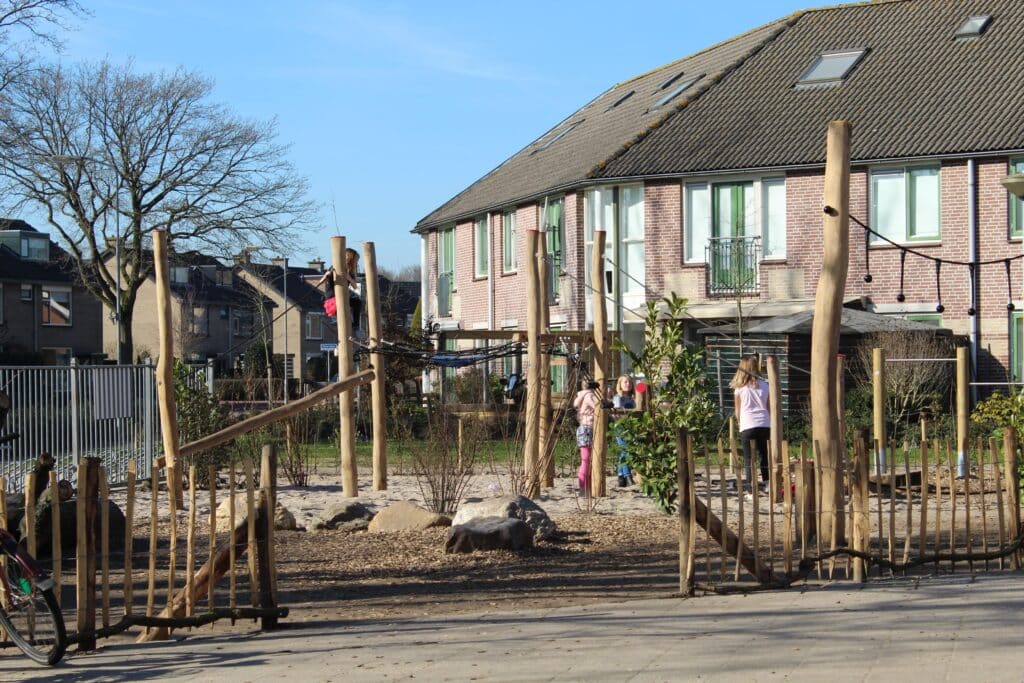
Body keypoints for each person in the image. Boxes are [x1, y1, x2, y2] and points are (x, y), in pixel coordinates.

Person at [730, 355, 770, 495]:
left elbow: (737, 411)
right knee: (764, 454)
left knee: (749, 458)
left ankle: (750, 489)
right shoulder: (765, 385)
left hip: (748, 424)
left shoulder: (739, 388)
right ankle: (767, 484)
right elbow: (769, 407)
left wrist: (740, 422)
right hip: (765, 423)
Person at [573, 380, 601, 496]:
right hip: (588, 428)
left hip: (583, 428)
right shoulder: (590, 396)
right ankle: (584, 487)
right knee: (586, 460)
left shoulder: (581, 395)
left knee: (585, 460)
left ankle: (584, 487)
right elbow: (599, 406)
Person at [612, 374, 636, 487]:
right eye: (625, 382)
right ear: (620, 385)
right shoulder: (618, 398)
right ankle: (627, 475)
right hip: (621, 427)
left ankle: (620, 476)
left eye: (630, 382)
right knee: (626, 450)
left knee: (624, 451)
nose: (628, 384)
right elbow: (616, 414)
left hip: (630, 427)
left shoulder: (632, 398)